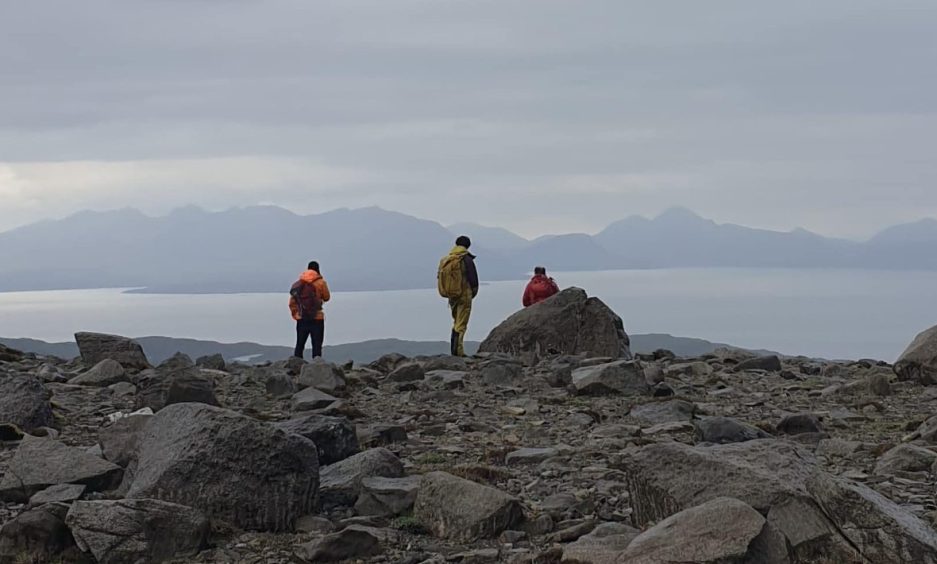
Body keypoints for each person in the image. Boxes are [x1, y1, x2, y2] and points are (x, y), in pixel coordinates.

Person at [437, 235, 479, 357]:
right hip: (464, 294)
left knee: (456, 321)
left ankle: (454, 350)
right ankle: (458, 351)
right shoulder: (466, 259)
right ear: (468, 246)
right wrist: (473, 293)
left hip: (452, 295)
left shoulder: (447, 259)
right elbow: (473, 279)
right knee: (461, 323)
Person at [289, 261, 331, 359]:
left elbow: (292, 302)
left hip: (302, 317)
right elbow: (327, 297)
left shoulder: (299, 283)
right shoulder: (321, 282)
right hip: (317, 318)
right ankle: (317, 368)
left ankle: (296, 367)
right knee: (317, 345)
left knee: (300, 344)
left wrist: (296, 315)